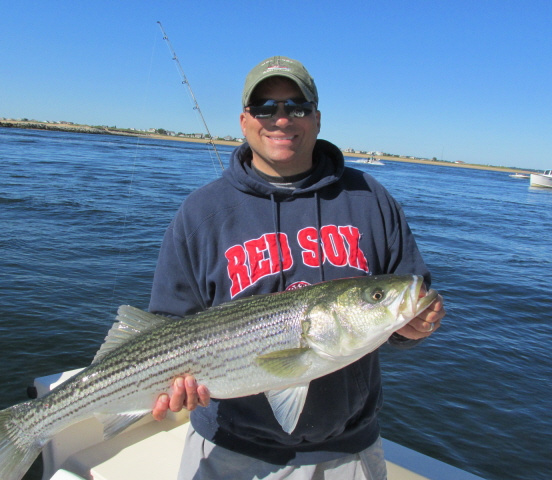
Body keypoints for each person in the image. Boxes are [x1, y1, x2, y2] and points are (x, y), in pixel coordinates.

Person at [148, 56, 446, 480]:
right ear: (244, 120)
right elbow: (165, 324)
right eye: (265, 108)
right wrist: (172, 385)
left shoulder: (370, 199)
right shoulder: (200, 213)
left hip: (349, 450)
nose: (281, 119)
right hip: (227, 448)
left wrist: (416, 325)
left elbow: (409, 296)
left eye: (297, 107)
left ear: (317, 119)